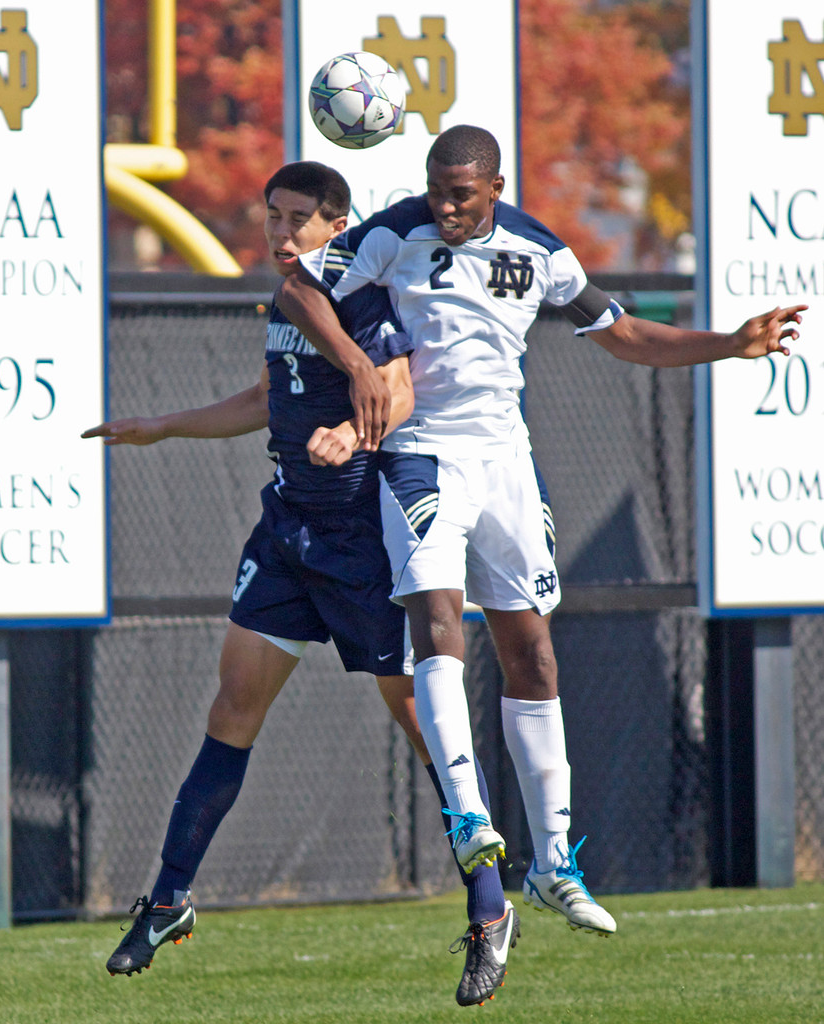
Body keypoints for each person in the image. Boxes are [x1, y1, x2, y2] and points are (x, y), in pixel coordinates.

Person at [277, 125, 807, 939]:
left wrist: (728, 346)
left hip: (505, 463)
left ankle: (554, 863)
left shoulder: (540, 251)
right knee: (438, 625)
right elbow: (300, 291)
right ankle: (468, 820)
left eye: (461, 194)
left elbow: (624, 334)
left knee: (533, 652)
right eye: (436, 189)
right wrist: (353, 363)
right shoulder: (391, 231)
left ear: (493, 187)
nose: (445, 207)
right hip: (422, 456)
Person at [83, 160, 519, 1008]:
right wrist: (162, 428)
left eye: (298, 221)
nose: (280, 234)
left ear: (336, 225)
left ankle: (489, 907)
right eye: (272, 217)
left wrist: (351, 439)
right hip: (288, 533)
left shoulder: (360, 293)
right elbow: (262, 396)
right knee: (232, 707)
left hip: (365, 543)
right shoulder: (288, 299)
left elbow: (391, 393)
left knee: (426, 729)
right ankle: (169, 899)